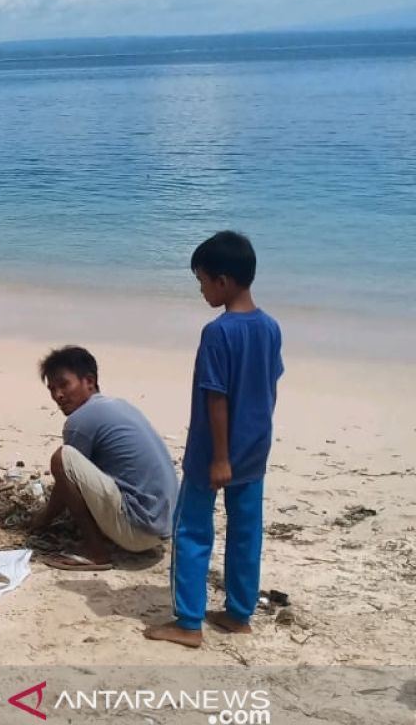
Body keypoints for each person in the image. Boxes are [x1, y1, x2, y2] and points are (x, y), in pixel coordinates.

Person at [145, 231, 283, 648]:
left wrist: (220, 456)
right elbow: (270, 385)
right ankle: (239, 613)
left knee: (191, 530)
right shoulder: (270, 327)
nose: (202, 290)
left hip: (213, 453)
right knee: (246, 531)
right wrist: (252, 439)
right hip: (255, 447)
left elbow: (216, 396)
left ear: (223, 281)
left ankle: (188, 622)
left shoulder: (219, 332)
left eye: (202, 282)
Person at [29, 346, 178, 571]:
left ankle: (95, 552)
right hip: (167, 527)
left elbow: (65, 481)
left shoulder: (81, 419)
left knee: (62, 458)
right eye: (52, 388)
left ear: (89, 381)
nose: (58, 395)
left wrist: (41, 520)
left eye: (64, 385)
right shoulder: (119, 405)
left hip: (139, 532)